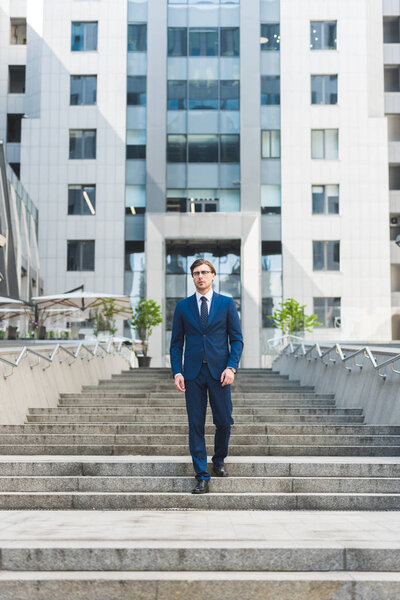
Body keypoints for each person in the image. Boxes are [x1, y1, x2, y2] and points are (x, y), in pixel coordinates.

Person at [170, 259, 244, 494]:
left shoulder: (226, 303)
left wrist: (231, 367)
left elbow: (237, 339)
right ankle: (201, 475)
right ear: (192, 278)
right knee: (195, 425)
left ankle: (219, 460)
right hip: (192, 374)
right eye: (196, 273)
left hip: (220, 372)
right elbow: (175, 344)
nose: (200, 276)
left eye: (204, 272)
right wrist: (177, 371)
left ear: (213, 276)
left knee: (224, 421)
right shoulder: (183, 307)